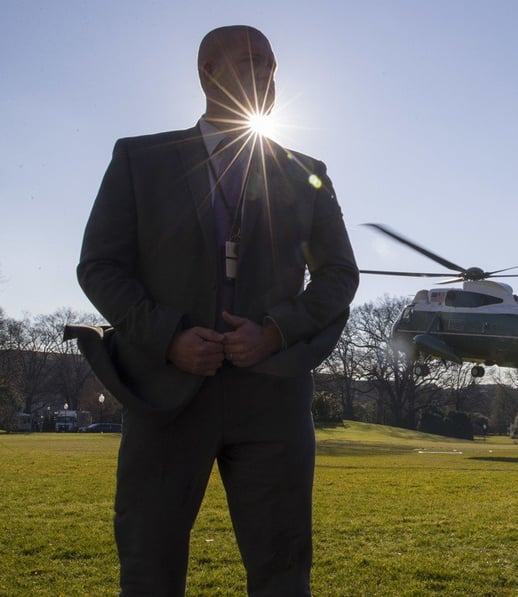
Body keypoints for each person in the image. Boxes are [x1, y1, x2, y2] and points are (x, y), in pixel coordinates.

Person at [72, 25, 359, 595]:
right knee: (148, 568)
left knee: (283, 572)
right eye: (250, 60)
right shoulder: (140, 160)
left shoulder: (309, 172)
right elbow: (99, 266)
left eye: (271, 64)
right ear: (207, 72)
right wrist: (170, 336)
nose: (265, 73)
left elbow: (339, 275)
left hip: (273, 401)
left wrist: (276, 333)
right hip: (165, 396)